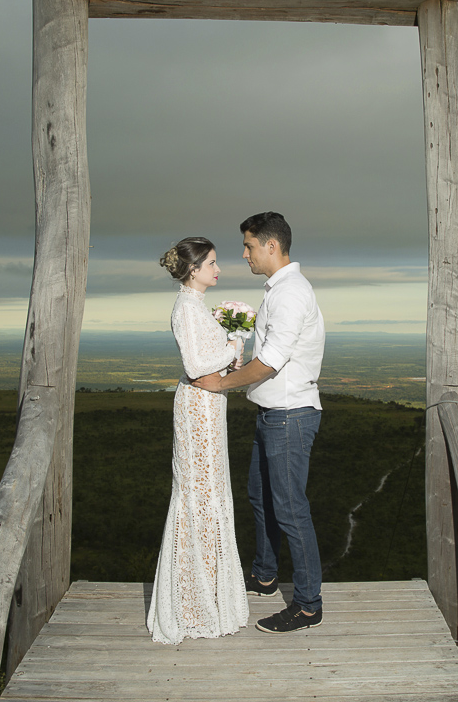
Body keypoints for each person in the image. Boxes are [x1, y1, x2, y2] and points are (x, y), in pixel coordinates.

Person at [194, 212, 326, 634]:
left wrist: (221, 384)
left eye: (249, 246)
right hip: (273, 414)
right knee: (260, 497)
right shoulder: (280, 291)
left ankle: (308, 606)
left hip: (289, 415)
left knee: (290, 509)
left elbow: (269, 363)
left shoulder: (290, 294)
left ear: (272, 246)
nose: (245, 255)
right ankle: (266, 577)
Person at [147, 237, 249, 645]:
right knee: (198, 495)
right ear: (192, 270)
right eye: (211, 263)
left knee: (209, 494)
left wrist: (229, 351)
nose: (217, 268)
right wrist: (231, 348)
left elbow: (208, 361)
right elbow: (195, 365)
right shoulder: (187, 307)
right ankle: (192, 603)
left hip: (210, 406)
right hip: (198, 409)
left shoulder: (196, 305)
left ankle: (205, 596)